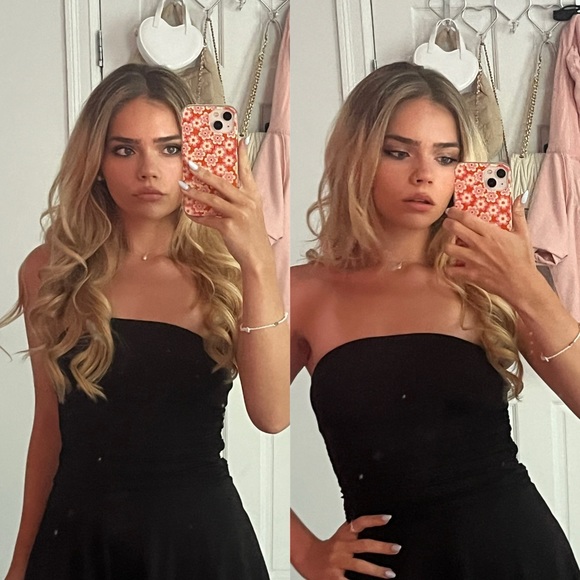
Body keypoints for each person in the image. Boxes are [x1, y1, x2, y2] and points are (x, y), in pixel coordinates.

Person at [290, 62, 580, 579]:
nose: (425, 174)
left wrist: (526, 285)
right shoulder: (304, 293)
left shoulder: (488, 278)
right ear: (357, 154)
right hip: (390, 568)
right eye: (398, 152)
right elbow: (199, 419)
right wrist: (306, 551)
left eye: (446, 158)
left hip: (517, 557)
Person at [3, 63, 288, 579]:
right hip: (77, 544)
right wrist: (20, 561)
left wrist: (257, 264)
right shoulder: (50, 271)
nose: (148, 170)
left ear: (194, 156)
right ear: (96, 161)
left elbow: (272, 415)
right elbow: (49, 430)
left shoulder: (230, 273)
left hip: (198, 548)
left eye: (170, 148)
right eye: (124, 149)